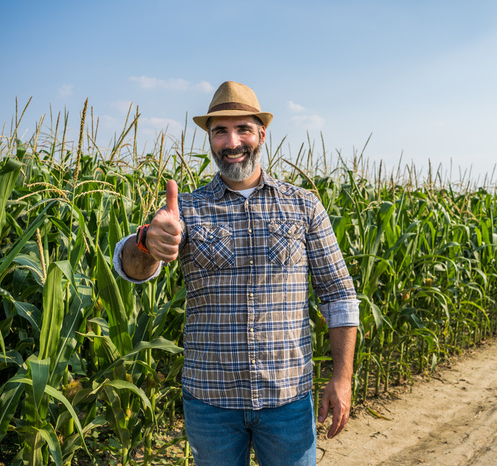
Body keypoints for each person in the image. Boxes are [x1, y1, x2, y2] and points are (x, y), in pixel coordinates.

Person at [113, 81, 359, 465]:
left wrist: (342, 378)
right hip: (211, 404)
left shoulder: (303, 205)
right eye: (220, 131)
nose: (232, 142)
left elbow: (339, 295)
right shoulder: (188, 211)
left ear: (261, 133)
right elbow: (134, 270)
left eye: (242, 128)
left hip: (288, 400)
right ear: (209, 139)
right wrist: (146, 242)